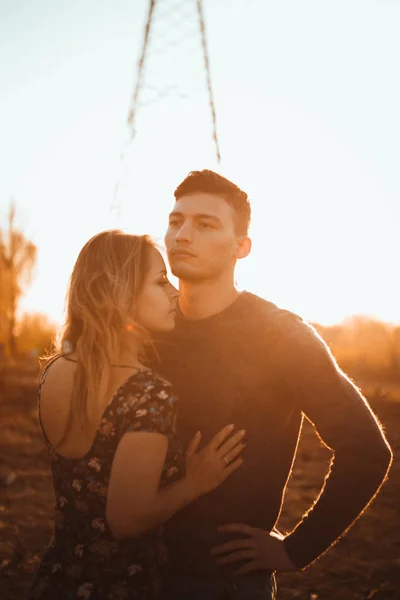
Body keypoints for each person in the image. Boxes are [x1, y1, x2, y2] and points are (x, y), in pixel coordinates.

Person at [151, 170, 393, 600]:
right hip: (127, 573)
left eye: (206, 224)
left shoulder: (279, 335)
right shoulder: (147, 330)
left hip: (220, 582)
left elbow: (366, 450)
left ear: (240, 248)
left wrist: (298, 549)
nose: (183, 235)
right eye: (175, 221)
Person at [28, 230, 246, 600]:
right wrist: (194, 482)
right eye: (160, 282)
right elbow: (126, 521)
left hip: (58, 576)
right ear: (120, 293)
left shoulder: (55, 370)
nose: (174, 292)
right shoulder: (148, 392)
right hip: (123, 585)